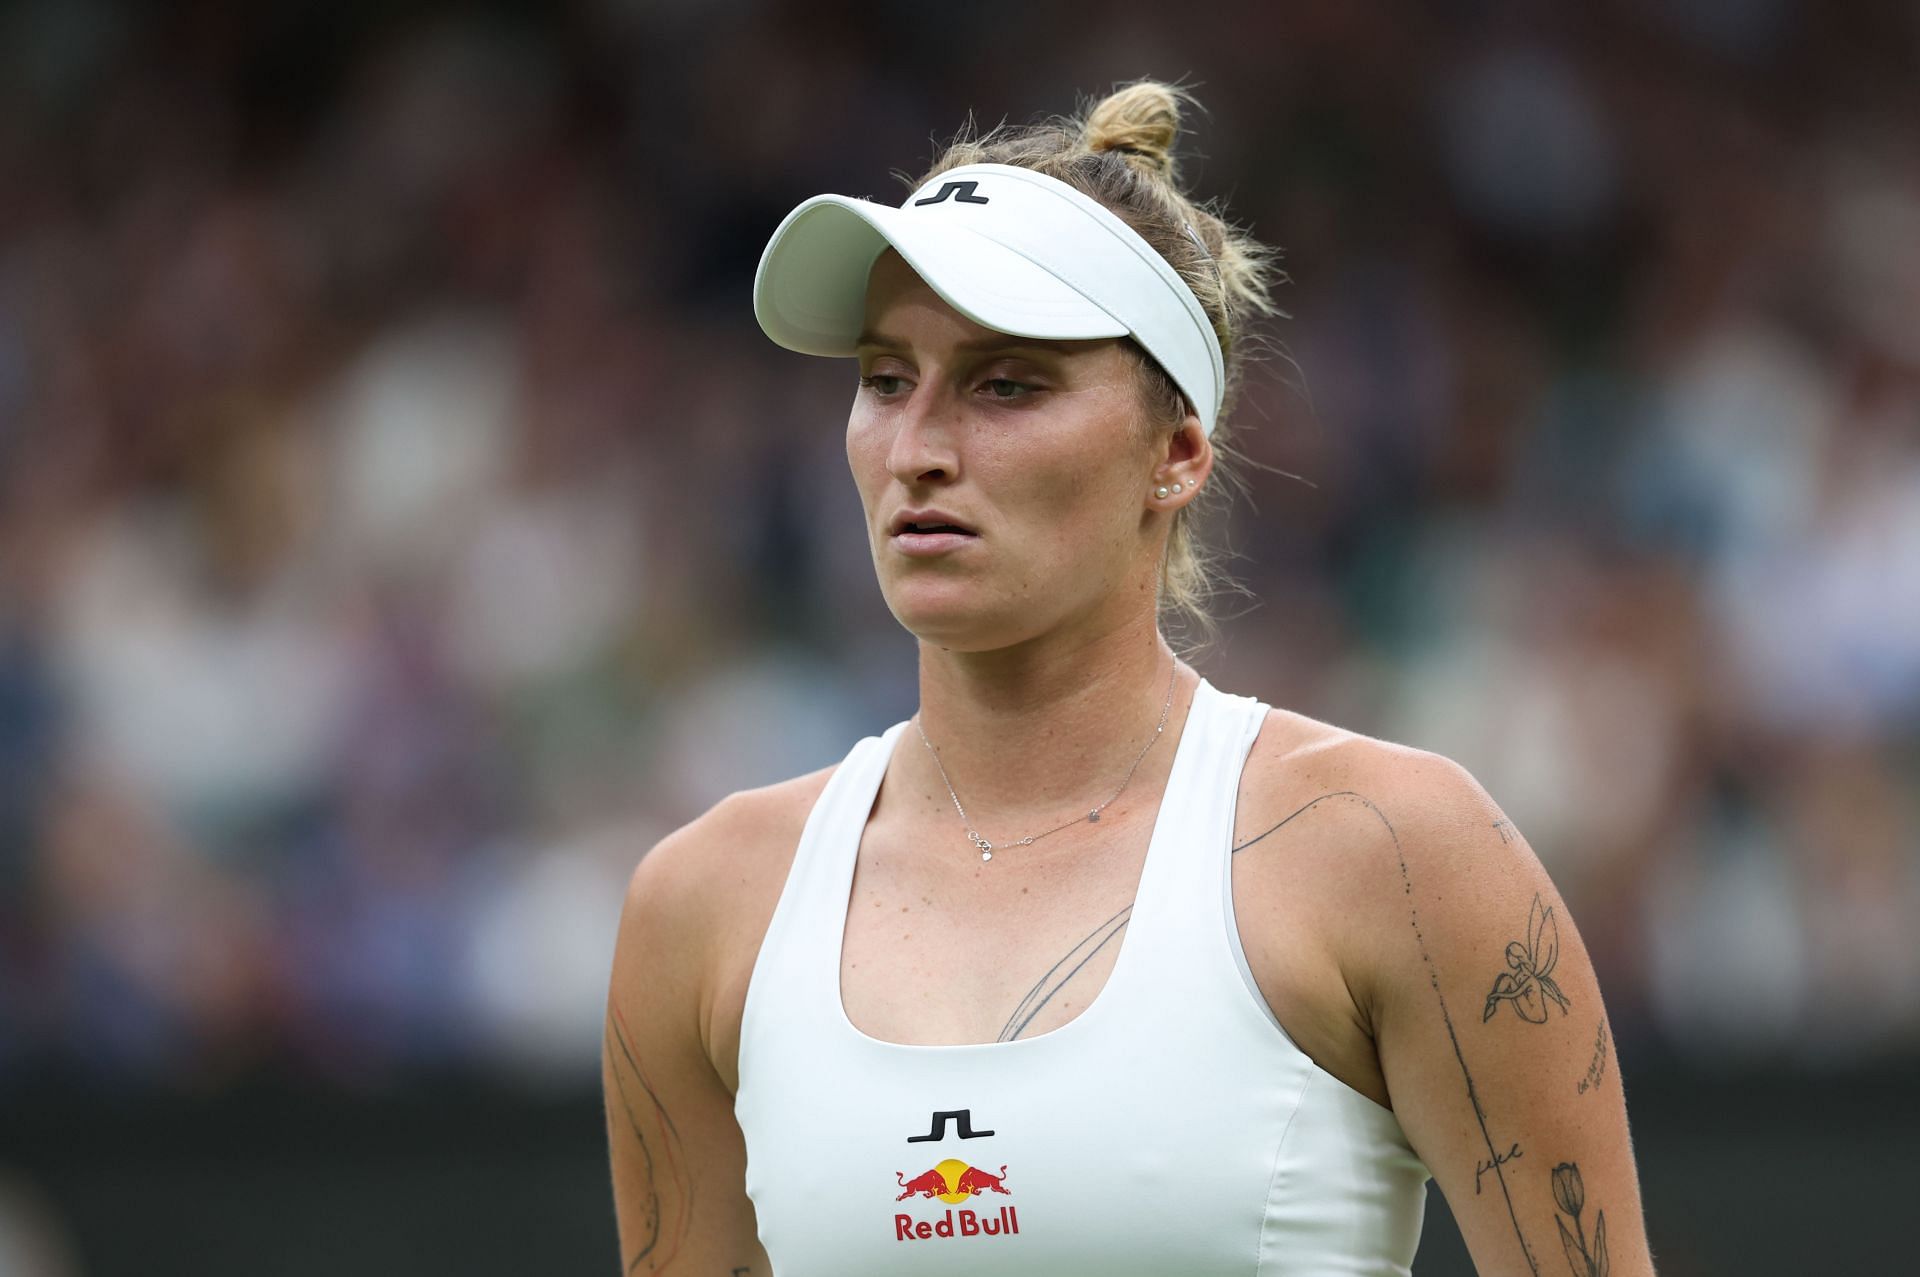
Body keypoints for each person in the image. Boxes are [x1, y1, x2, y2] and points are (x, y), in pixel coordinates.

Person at [602, 80, 1652, 1276]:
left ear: (1177, 452)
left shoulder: (1394, 850)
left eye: (1006, 385)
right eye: (887, 379)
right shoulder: (702, 903)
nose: (918, 448)